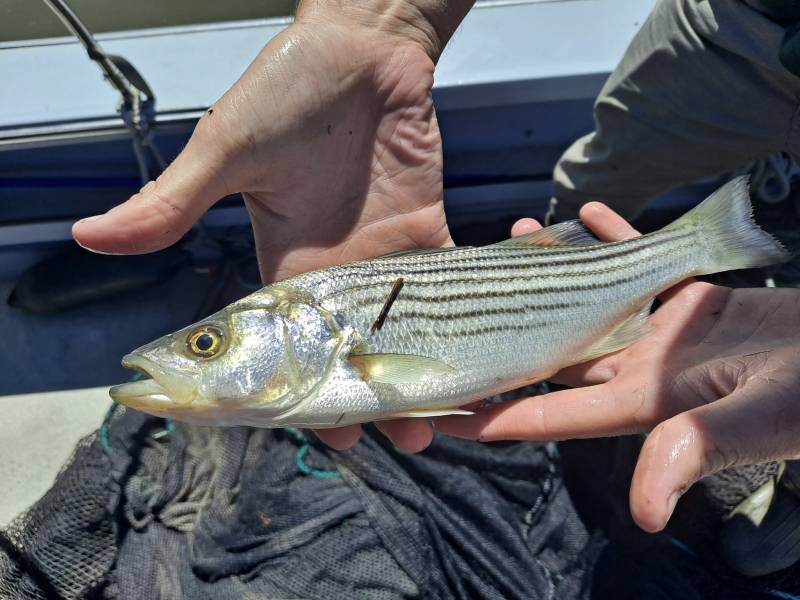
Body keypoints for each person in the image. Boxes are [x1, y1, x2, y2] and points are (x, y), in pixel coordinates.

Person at [72, 0, 800, 549]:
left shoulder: (340, 365)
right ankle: (709, 232)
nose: (197, 353)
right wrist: (378, 26)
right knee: (600, 173)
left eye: (207, 345)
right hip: (744, 16)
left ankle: (714, 244)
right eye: (207, 344)